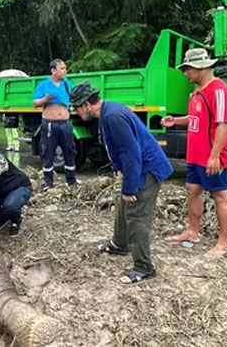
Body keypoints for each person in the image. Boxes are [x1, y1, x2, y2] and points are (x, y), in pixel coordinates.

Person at [70, 82, 173, 284]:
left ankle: (144, 267)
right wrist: (121, 170)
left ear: (86, 105)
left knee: (136, 215)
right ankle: (120, 244)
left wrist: (130, 186)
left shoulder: (113, 116)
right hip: (137, 167)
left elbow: (131, 152)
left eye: (76, 108)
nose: (76, 113)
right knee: (123, 206)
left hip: (147, 169)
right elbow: (121, 148)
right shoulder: (108, 112)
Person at [162, 48, 227, 257]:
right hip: (196, 155)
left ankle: (224, 243)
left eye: (188, 69)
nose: (186, 74)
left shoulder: (219, 91)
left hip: (212, 156)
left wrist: (215, 156)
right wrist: (176, 121)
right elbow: (196, 118)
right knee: (192, 189)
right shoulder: (197, 92)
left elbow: (223, 125)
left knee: (219, 195)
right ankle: (192, 232)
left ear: (201, 67)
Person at [32, 59, 76, 191]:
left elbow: (74, 99)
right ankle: (48, 182)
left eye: (65, 68)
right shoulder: (44, 85)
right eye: (62, 68)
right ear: (53, 70)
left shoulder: (67, 84)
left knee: (70, 151)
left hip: (65, 123)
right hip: (50, 124)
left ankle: (71, 181)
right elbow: (35, 103)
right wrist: (47, 99)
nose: (65, 71)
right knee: (48, 152)